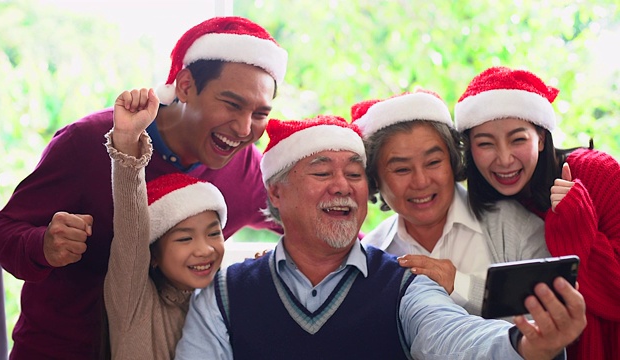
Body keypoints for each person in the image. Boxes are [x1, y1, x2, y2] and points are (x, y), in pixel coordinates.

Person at [0, 16, 287, 359]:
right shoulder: (87, 142)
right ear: (185, 85)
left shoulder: (246, 166)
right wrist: (44, 245)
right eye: (232, 104)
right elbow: (2, 232)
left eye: (260, 113)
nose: (245, 128)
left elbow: (307, 229)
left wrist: (275, 267)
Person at [174, 115, 586, 359]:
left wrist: (525, 345)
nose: (343, 186)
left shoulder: (404, 280)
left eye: (354, 173)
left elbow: (455, 336)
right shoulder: (224, 292)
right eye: (322, 172)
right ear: (276, 193)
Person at [455, 65, 620, 359]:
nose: (504, 159)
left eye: (518, 139)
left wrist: (574, 222)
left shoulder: (595, 172)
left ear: (541, 138)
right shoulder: (487, 204)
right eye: (485, 144)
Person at [352, 89, 550, 315]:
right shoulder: (372, 252)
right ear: (375, 178)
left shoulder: (517, 228)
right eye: (402, 169)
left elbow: (545, 325)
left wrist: (459, 284)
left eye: (433, 162)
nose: (421, 181)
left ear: (453, 161)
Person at [104, 88, 227, 358]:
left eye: (213, 233)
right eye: (185, 238)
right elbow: (131, 232)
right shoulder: (133, 302)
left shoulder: (223, 301)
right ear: (153, 256)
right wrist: (126, 142)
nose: (205, 249)